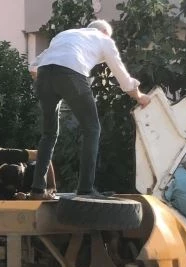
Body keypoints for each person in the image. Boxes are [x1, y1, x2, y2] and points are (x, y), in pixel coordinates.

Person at [27, 19, 151, 200]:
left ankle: (37, 189)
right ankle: (86, 189)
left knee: (49, 133)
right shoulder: (105, 39)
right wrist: (139, 96)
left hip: (44, 75)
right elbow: (123, 77)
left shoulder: (65, 35)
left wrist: (50, 84)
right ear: (105, 32)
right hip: (71, 74)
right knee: (92, 129)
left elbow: (33, 67)